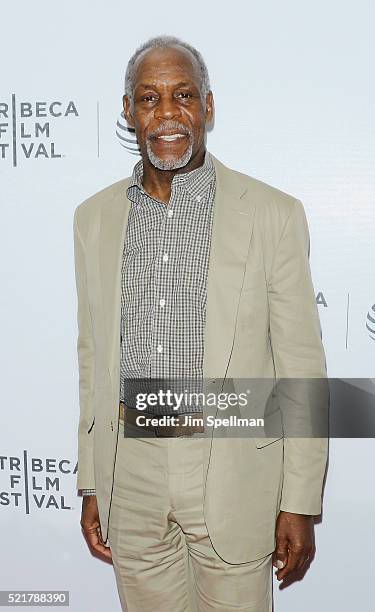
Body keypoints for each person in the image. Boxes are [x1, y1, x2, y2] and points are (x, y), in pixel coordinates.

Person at [73, 35, 328, 611]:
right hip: (130, 474)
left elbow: (302, 367)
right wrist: (93, 481)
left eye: (183, 95)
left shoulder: (271, 214)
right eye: (149, 98)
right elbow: (93, 359)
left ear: (208, 108)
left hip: (234, 466)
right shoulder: (94, 219)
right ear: (128, 112)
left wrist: (300, 500)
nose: (167, 114)